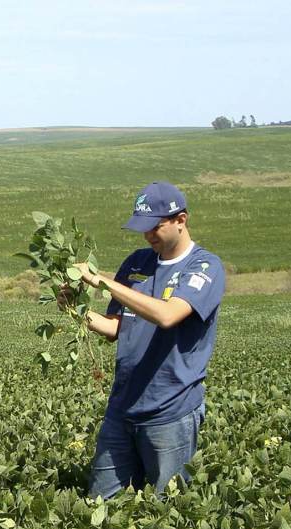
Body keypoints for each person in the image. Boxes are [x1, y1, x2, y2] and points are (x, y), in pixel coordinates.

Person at [73, 181, 226, 498]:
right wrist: (77, 311)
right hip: (123, 406)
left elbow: (168, 315)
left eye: (155, 227)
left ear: (181, 220)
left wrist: (102, 282)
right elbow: (117, 327)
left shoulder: (205, 267)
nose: (147, 236)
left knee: (165, 509)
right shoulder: (136, 262)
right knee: (100, 502)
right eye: (142, 229)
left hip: (170, 411)